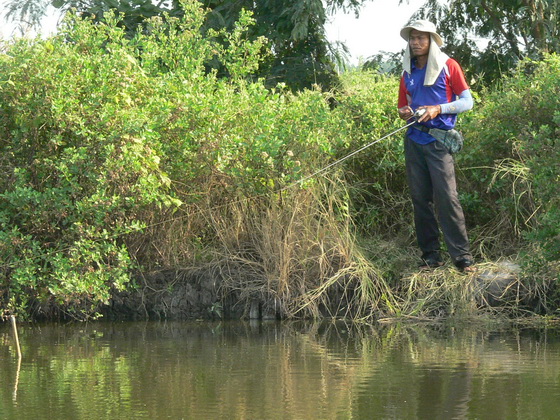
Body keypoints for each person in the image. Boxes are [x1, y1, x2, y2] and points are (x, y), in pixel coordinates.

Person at [397, 20, 476, 273]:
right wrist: (405, 112)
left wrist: (438, 109)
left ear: (432, 41)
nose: (416, 42)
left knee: (447, 198)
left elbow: (467, 102)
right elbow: (402, 107)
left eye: (421, 38)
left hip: (439, 141)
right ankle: (431, 257)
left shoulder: (448, 65)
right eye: (412, 38)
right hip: (414, 140)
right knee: (420, 200)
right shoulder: (407, 72)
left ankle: (462, 259)